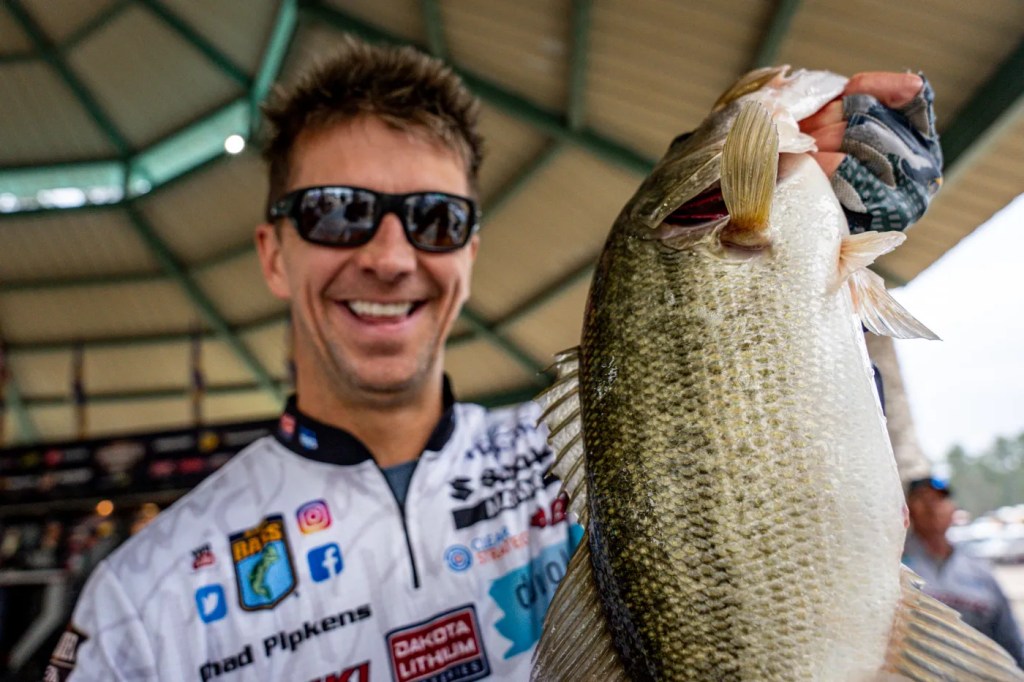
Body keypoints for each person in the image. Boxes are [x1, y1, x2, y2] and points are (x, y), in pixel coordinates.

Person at [45, 36, 942, 681]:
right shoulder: (137, 609)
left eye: (434, 220)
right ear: (274, 253)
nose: (389, 256)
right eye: (336, 213)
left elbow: (786, 440)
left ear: (468, 255)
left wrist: (837, 243)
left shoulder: (590, 455)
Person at [902, 476, 1024, 669]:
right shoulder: (895, 565)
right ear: (907, 511)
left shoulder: (979, 570)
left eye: (940, 499)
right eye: (922, 499)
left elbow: (1009, 638)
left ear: (953, 509)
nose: (932, 507)